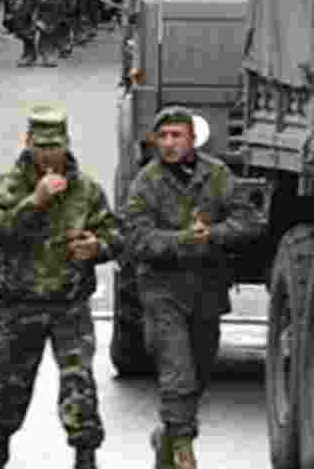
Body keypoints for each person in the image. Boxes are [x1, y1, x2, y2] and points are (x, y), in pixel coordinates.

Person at [0, 105, 120, 469]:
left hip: (69, 305)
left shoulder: (86, 189)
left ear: (67, 144)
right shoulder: (8, 186)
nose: (47, 155)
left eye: (54, 146)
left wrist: (98, 248)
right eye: (40, 146)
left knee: (79, 383)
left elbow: (116, 234)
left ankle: (85, 454)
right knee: (12, 384)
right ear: (27, 143)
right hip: (19, 303)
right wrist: (36, 201)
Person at [122, 106, 260, 469]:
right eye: (162, 137)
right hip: (162, 290)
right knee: (176, 371)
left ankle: (167, 437)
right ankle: (184, 449)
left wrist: (213, 235)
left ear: (191, 139)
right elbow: (137, 239)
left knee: (199, 371)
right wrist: (185, 240)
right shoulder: (146, 183)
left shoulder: (216, 175)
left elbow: (249, 222)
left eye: (176, 136)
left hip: (207, 290)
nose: (169, 143)